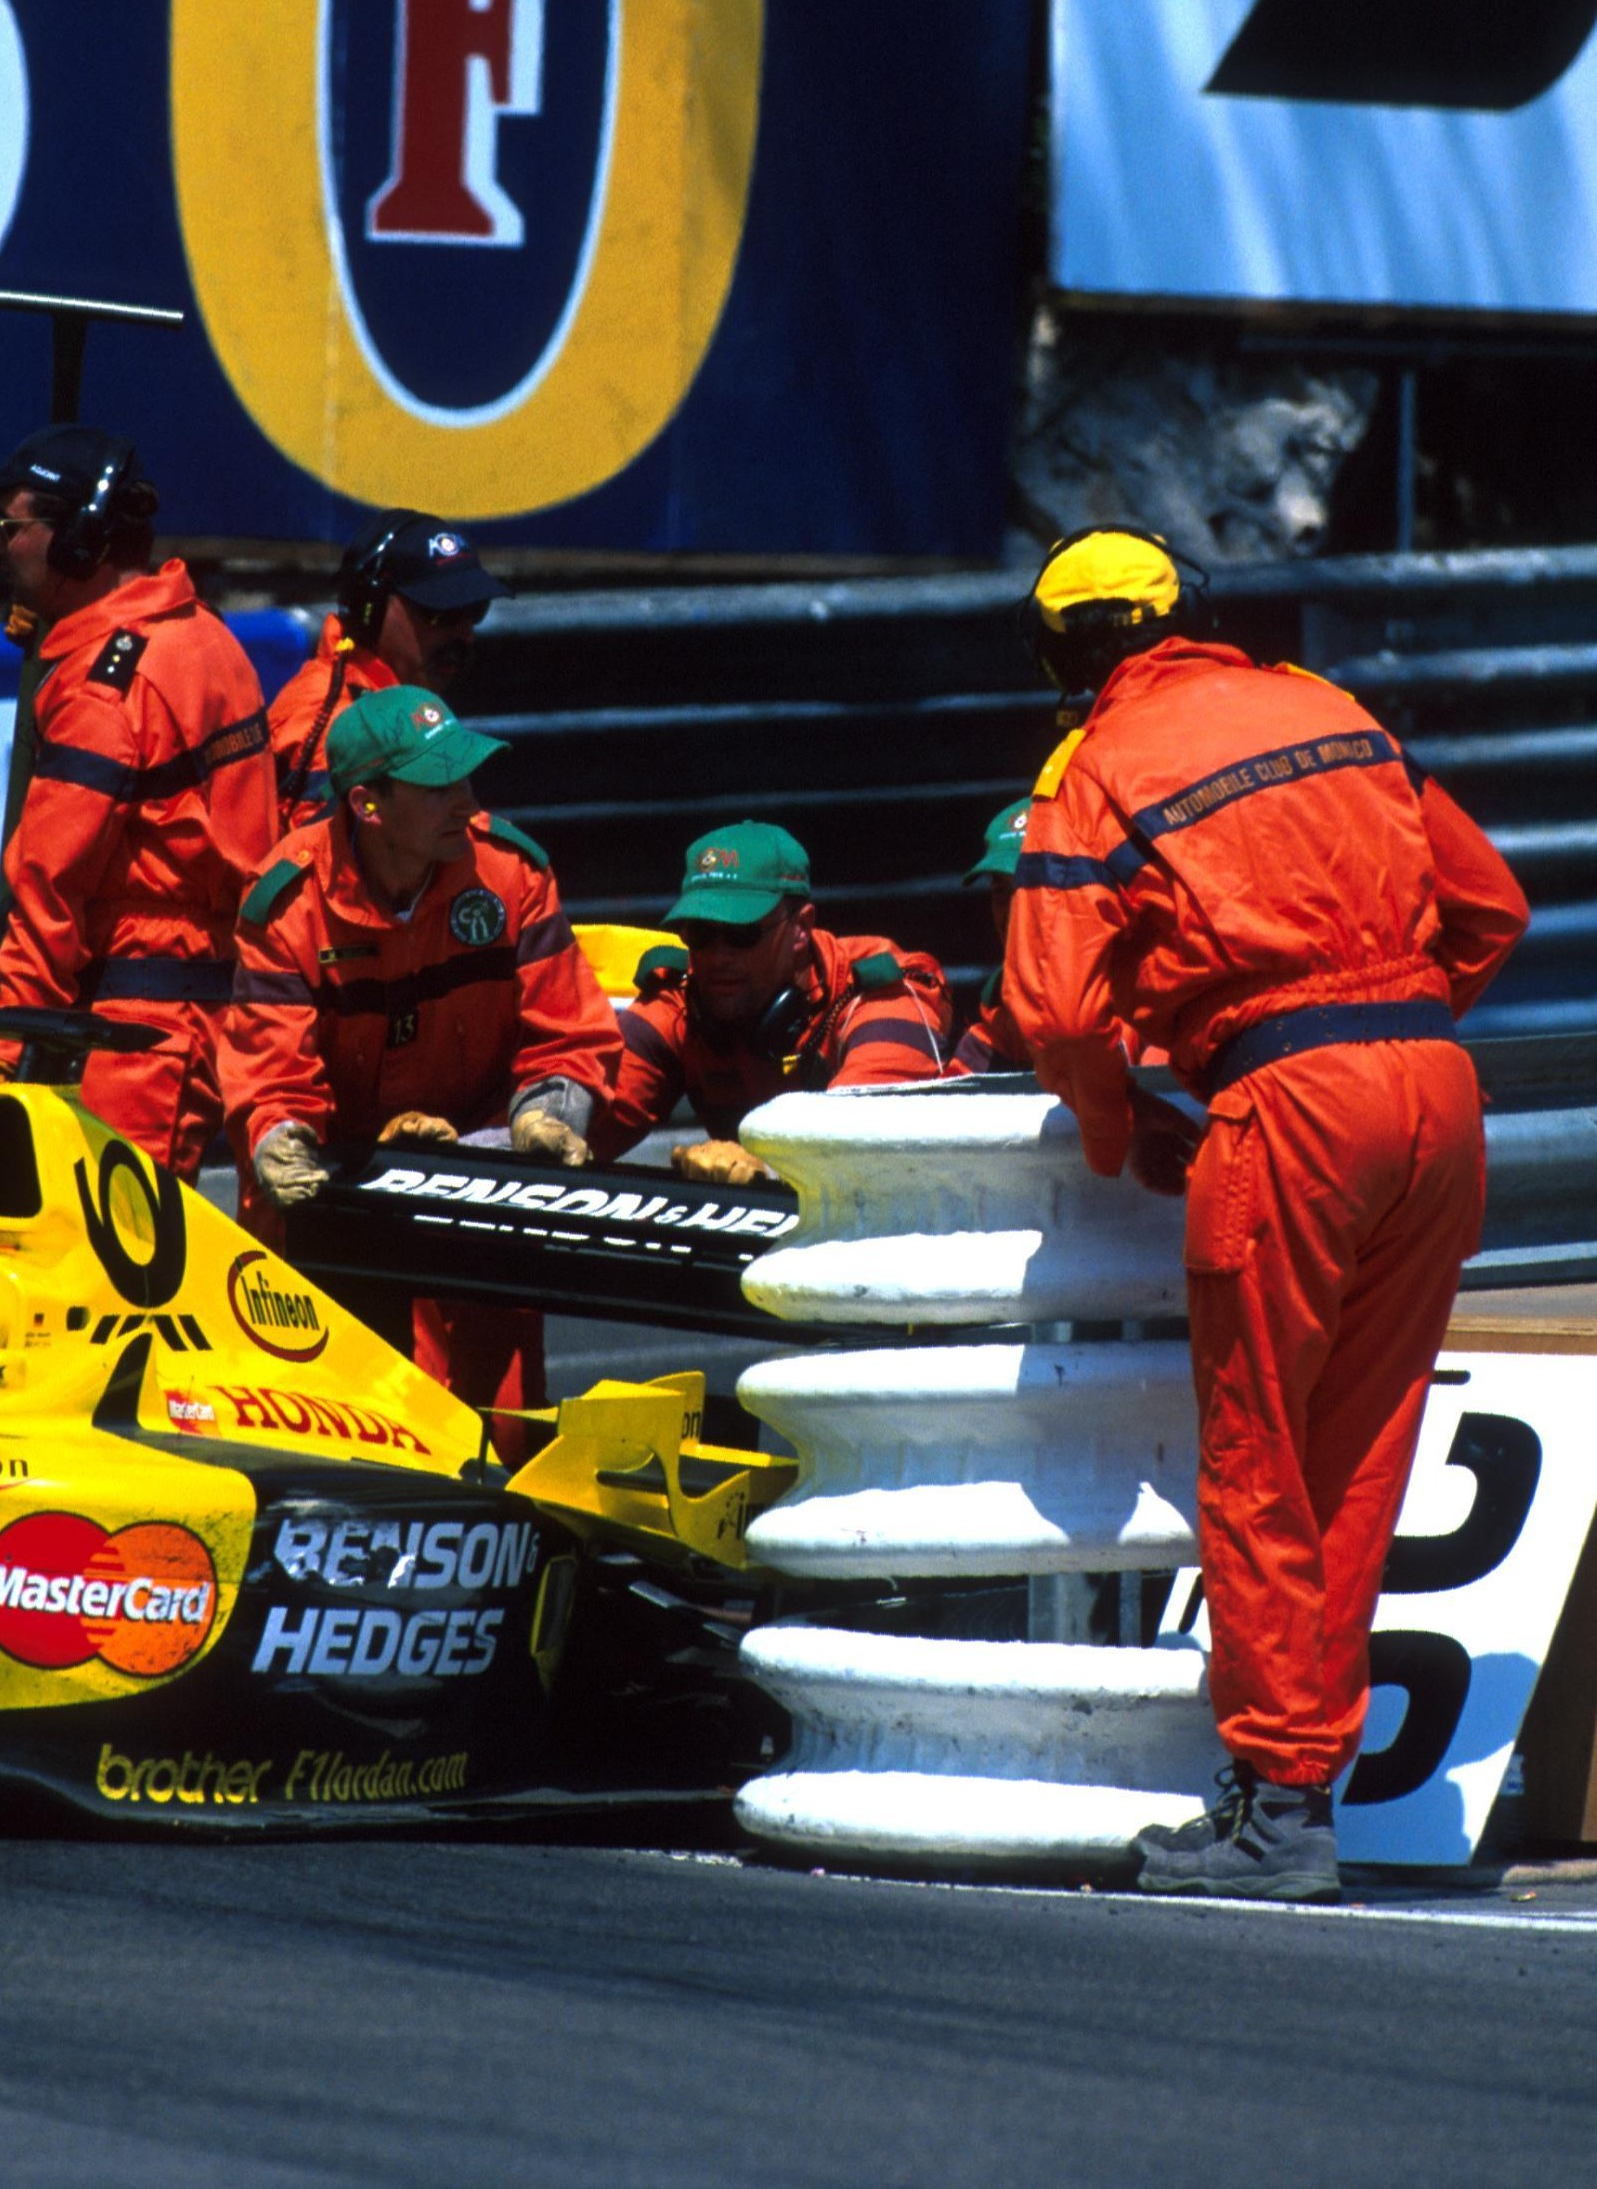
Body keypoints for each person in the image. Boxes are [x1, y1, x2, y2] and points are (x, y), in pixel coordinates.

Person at [1003, 525, 1528, 1902]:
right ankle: (1304, 1791)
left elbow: (1055, 1014)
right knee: (1358, 1458)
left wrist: (1121, 1128)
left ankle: (1278, 1804)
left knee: (1259, 1460)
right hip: (1436, 1095)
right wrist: (1387, 1031)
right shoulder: (1330, 707)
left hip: (1287, 1113)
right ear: (1193, 612)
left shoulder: (1092, 767)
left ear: (1062, 659)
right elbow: (1490, 907)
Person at [225, 687, 619, 1424]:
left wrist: (545, 1116)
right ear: (367, 805)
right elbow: (270, 1075)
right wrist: (279, 1139)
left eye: (465, 777)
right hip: (342, 1183)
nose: (465, 802)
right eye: (439, 787)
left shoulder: (511, 873)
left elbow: (568, 1033)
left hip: (481, 1167)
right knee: (336, 1425)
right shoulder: (288, 903)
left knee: (501, 1427)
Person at [0, 426, 276, 1171]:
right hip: (198, 1003)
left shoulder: (104, 691)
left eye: (11, 529)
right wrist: (63, 633)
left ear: (78, 542)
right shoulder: (201, 634)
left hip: (137, 1029)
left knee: (112, 1238)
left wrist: (4, 1042)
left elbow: (49, 885)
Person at [592, 823, 958, 1181]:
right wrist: (562, 1124)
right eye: (701, 934)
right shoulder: (681, 999)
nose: (718, 957)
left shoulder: (885, 992)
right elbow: (591, 1119)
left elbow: (863, 1136)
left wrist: (765, 1167)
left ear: (801, 928)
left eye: (742, 933)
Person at [266, 513, 509, 823]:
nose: (465, 635)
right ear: (370, 608)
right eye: (441, 613)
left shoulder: (405, 703)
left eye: (475, 610)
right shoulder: (333, 727)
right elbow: (329, 854)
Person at [951, 797, 1035, 1074]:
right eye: (1001, 892)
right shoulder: (998, 1015)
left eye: (1029, 889)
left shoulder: (1136, 996)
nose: (1012, 912)